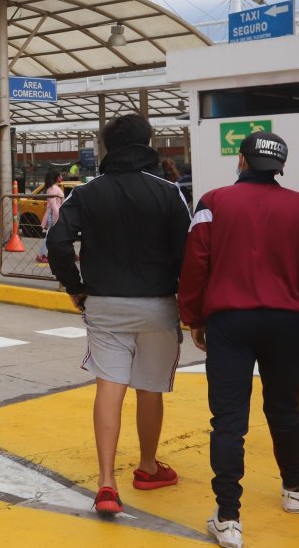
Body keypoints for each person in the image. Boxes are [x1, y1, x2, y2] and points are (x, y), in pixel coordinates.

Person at [178, 132, 299, 548]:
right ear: (279, 167)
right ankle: (294, 487)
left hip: (229, 324)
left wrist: (192, 317)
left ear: (242, 162)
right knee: (284, 409)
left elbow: (194, 265)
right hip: (284, 325)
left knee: (228, 421)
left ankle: (228, 518)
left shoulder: (213, 202)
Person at [46, 114, 192, 517]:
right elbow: (190, 251)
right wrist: (190, 301)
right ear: (148, 142)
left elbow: (57, 240)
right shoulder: (168, 192)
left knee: (109, 387)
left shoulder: (88, 193)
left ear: (108, 147)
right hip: (158, 304)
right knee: (150, 388)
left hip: (104, 304)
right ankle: (147, 468)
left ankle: (106, 483)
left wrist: (75, 286)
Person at [35, 169, 65, 264]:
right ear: (56, 178)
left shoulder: (54, 187)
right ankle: (41, 255)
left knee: (53, 236)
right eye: (60, 175)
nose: (61, 177)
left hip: (54, 214)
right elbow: (53, 205)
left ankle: (55, 254)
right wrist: (58, 216)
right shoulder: (52, 188)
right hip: (53, 215)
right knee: (49, 236)